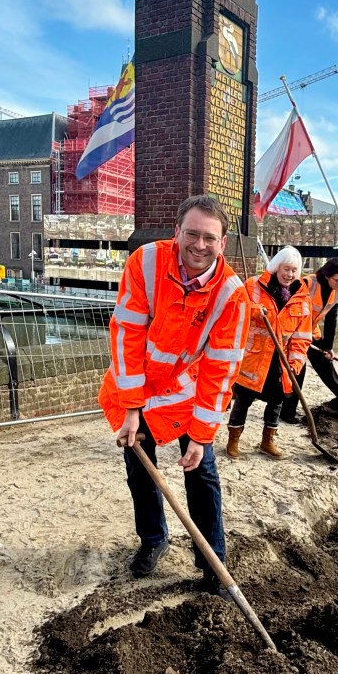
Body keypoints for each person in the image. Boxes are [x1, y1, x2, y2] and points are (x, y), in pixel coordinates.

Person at [99, 194, 248, 585]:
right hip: (138, 386)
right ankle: (153, 540)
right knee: (139, 468)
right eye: (192, 234)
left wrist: (200, 436)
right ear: (177, 232)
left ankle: (212, 561)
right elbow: (127, 333)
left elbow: (221, 370)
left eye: (210, 238)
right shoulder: (145, 262)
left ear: (223, 242)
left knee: (202, 473)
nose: (200, 245)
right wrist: (131, 407)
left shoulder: (232, 295)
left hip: (186, 391)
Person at [226, 246, 312, 459]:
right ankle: (233, 440)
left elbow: (302, 337)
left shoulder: (301, 298)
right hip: (254, 357)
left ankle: (267, 441)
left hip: (280, 361)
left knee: (276, 401)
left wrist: (295, 365)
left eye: (294, 270)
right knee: (243, 400)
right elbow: (235, 309)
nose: (289, 274)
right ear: (276, 267)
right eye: (286, 269)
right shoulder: (253, 286)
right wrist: (254, 310)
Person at [282, 257, 338, 423]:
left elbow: (331, 319)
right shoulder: (306, 284)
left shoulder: (337, 290)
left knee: (326, 365)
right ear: (327, 276)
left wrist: (328, 346)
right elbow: (286, 306)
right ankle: (287, 412)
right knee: (298, 370)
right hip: (294, 333)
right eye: (337, 280)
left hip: (312, 332)